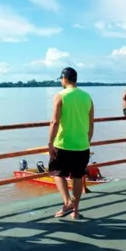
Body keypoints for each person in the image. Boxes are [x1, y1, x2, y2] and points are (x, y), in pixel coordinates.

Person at [47, 67, 94, 219]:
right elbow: (91, 124)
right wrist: (87, 141)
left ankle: (67, 201)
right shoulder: (87, 97)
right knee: (78, 177)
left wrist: (50, 143)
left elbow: (55, 121)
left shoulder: (60, 96)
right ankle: (75, 211)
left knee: (56, 171)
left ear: (64, 78)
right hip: (82, 144)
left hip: (63, 143)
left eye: (61, 79)